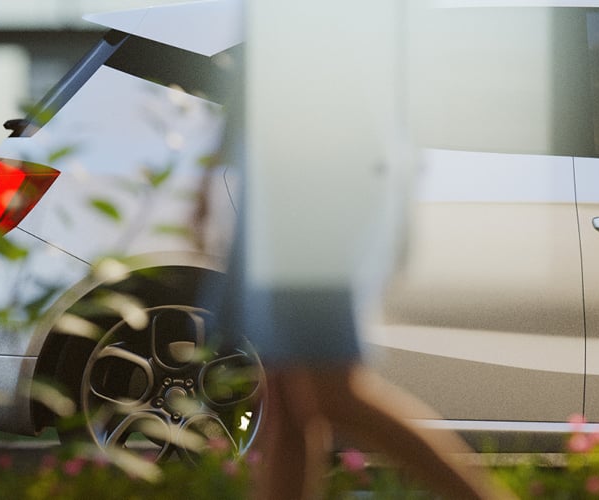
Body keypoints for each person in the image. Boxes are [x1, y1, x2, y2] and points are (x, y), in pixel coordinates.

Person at [201, 2, 513, 498]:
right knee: (284, 395)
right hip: (281, 180)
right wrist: (209, 174)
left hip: (317, 182)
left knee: (331, 392)